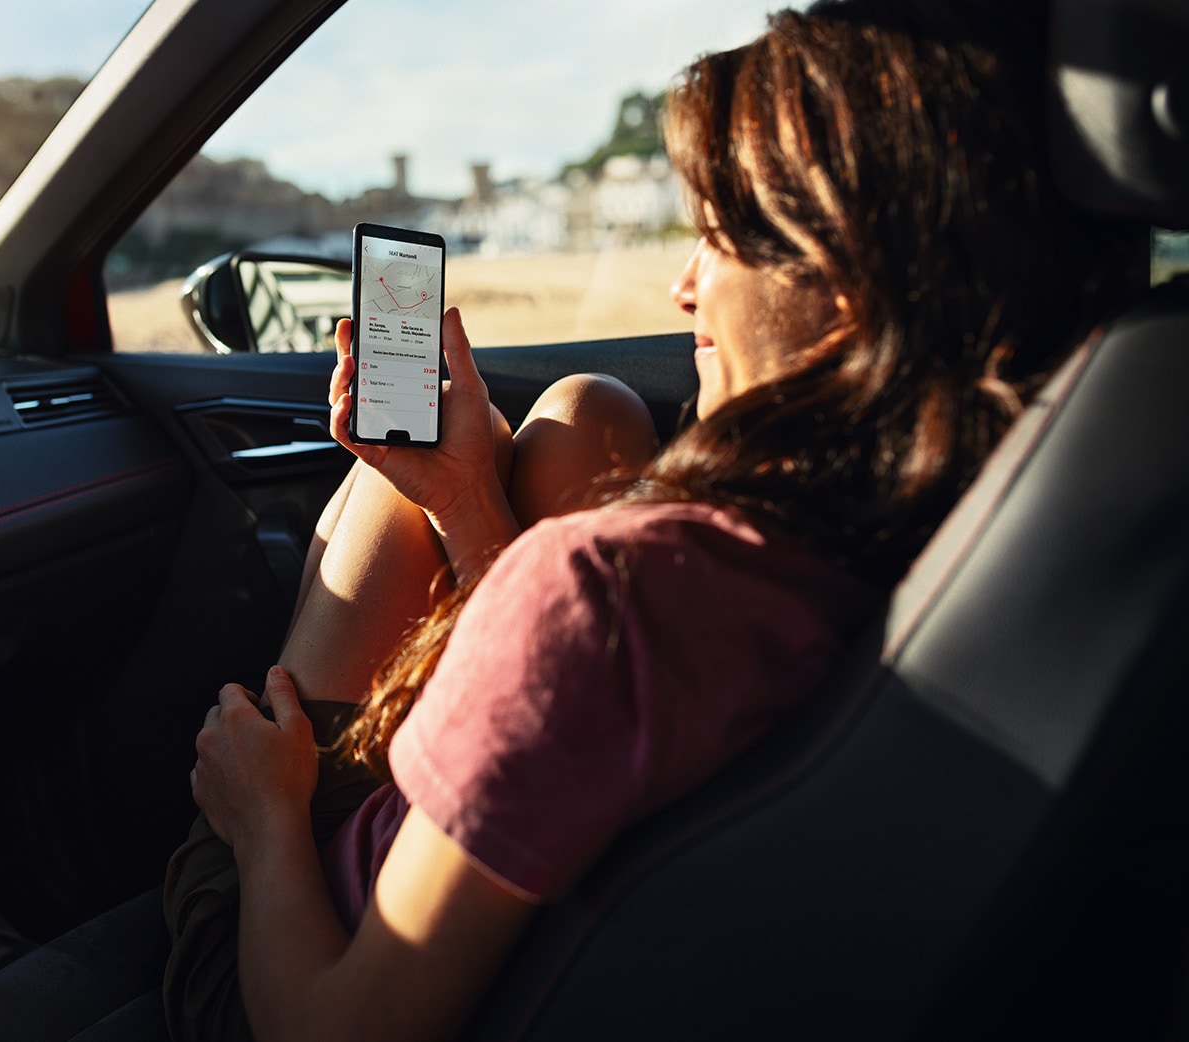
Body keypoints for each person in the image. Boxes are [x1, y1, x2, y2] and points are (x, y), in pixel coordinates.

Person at [166, 2, 1143, 1040]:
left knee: (379, 496)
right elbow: (587, 700)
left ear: (847, 292)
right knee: (585, 413)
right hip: (525, 920)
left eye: (716, 240)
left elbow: (328, 1029)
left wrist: (264, 817)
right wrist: (464, 496)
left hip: (284, 965)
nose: (682, 288)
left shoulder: (605, 592)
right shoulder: (922, 530)